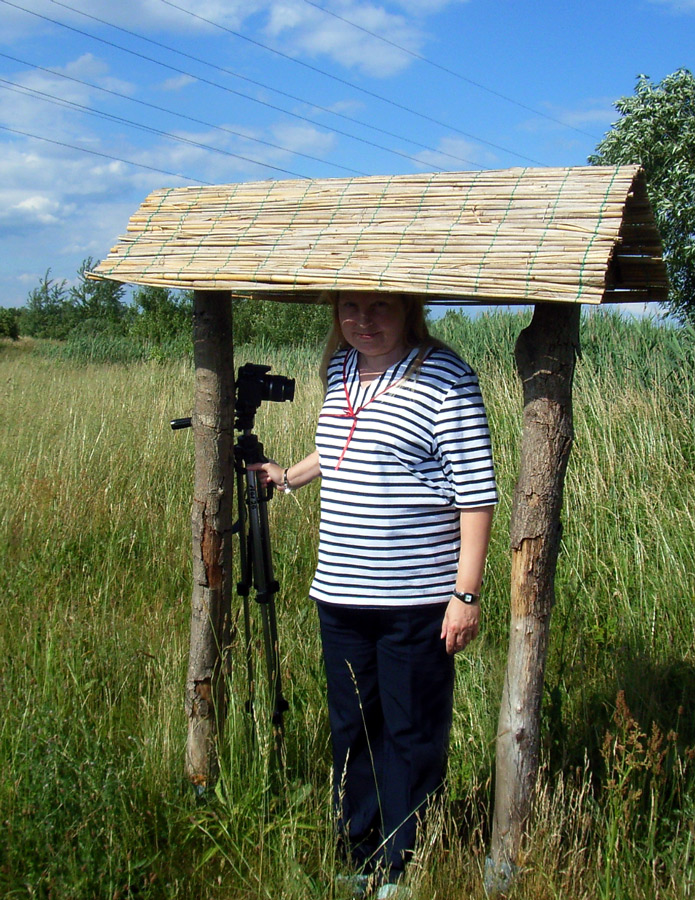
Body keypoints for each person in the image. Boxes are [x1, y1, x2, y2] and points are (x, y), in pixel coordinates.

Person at [251, 291, 497, 898]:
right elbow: (341, 449)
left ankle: (403, 864)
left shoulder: (445, 376)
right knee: (353, 728)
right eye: (351, 309)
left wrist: (465, 594)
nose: (364, 321)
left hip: (415, 597)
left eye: (380, 308)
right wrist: (287, 477)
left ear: (409, 310)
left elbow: (476, 492)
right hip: (339, 590)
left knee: (410, 732)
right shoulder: (340, 369)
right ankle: (360, 855)